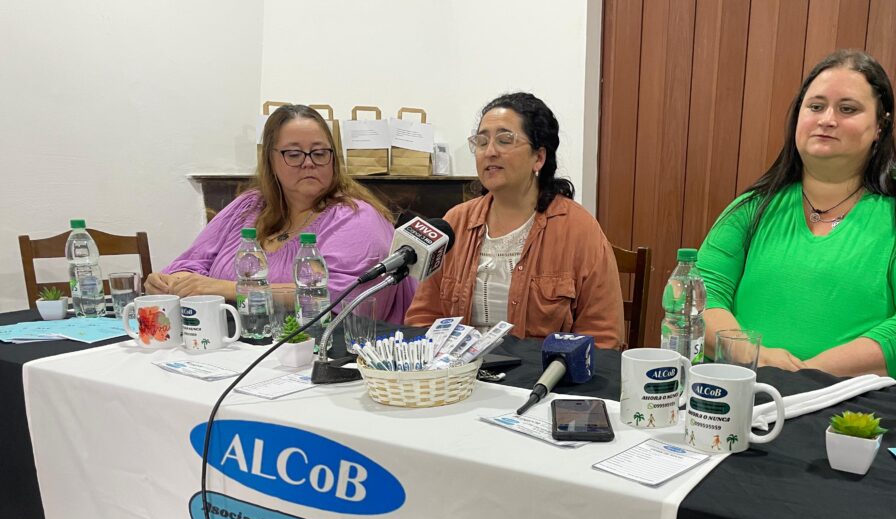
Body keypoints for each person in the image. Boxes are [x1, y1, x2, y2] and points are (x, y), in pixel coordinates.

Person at [698, 49, 896, 378]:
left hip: (871, 414)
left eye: (847, 109)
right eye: (816, 106)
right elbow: (698, 294)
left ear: (880, 125)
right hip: (750, 395)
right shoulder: (752, 207)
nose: (827, 119)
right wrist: (754, 358)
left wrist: (806, 377)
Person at [145, 104, 413, 323]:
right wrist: (171, 284)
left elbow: (344, 298)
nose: (308, 162)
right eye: (294, 154)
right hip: (233, 344)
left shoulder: (357, 217)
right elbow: (191, 265)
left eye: (320, 153)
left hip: (320, 354)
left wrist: (228, 289)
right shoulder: (248, 206)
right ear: (270, 160)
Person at [405, 92, 624, 349]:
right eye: (482, 141)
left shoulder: (578, 230)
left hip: (541, 382)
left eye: (504, 140)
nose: (490, 152)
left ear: (538, 158)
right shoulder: (455, 222)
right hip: (460, 380)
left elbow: (602, 337)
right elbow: (422, 318)